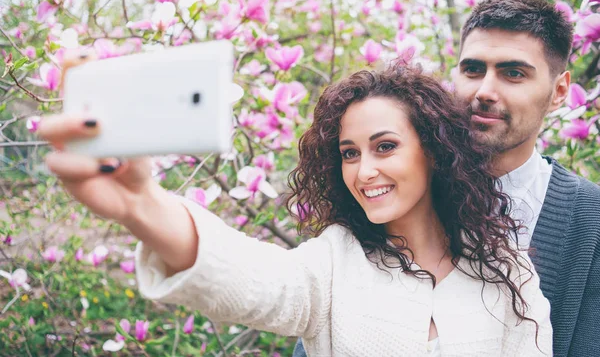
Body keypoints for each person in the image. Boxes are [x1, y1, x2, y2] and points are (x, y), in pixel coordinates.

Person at [38, 59, 551, 355]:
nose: (363, 171)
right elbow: (248, 279)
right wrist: (141, 206)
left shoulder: (508, 270)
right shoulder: (333, 264)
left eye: (385, 146)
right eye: (349, 153)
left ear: (434, 152)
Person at [290, 0, 600, 357]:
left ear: (559, 91)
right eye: (472, 70)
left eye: (513, 73)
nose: (484, 91)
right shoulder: (396, 196)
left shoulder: (590, 218)